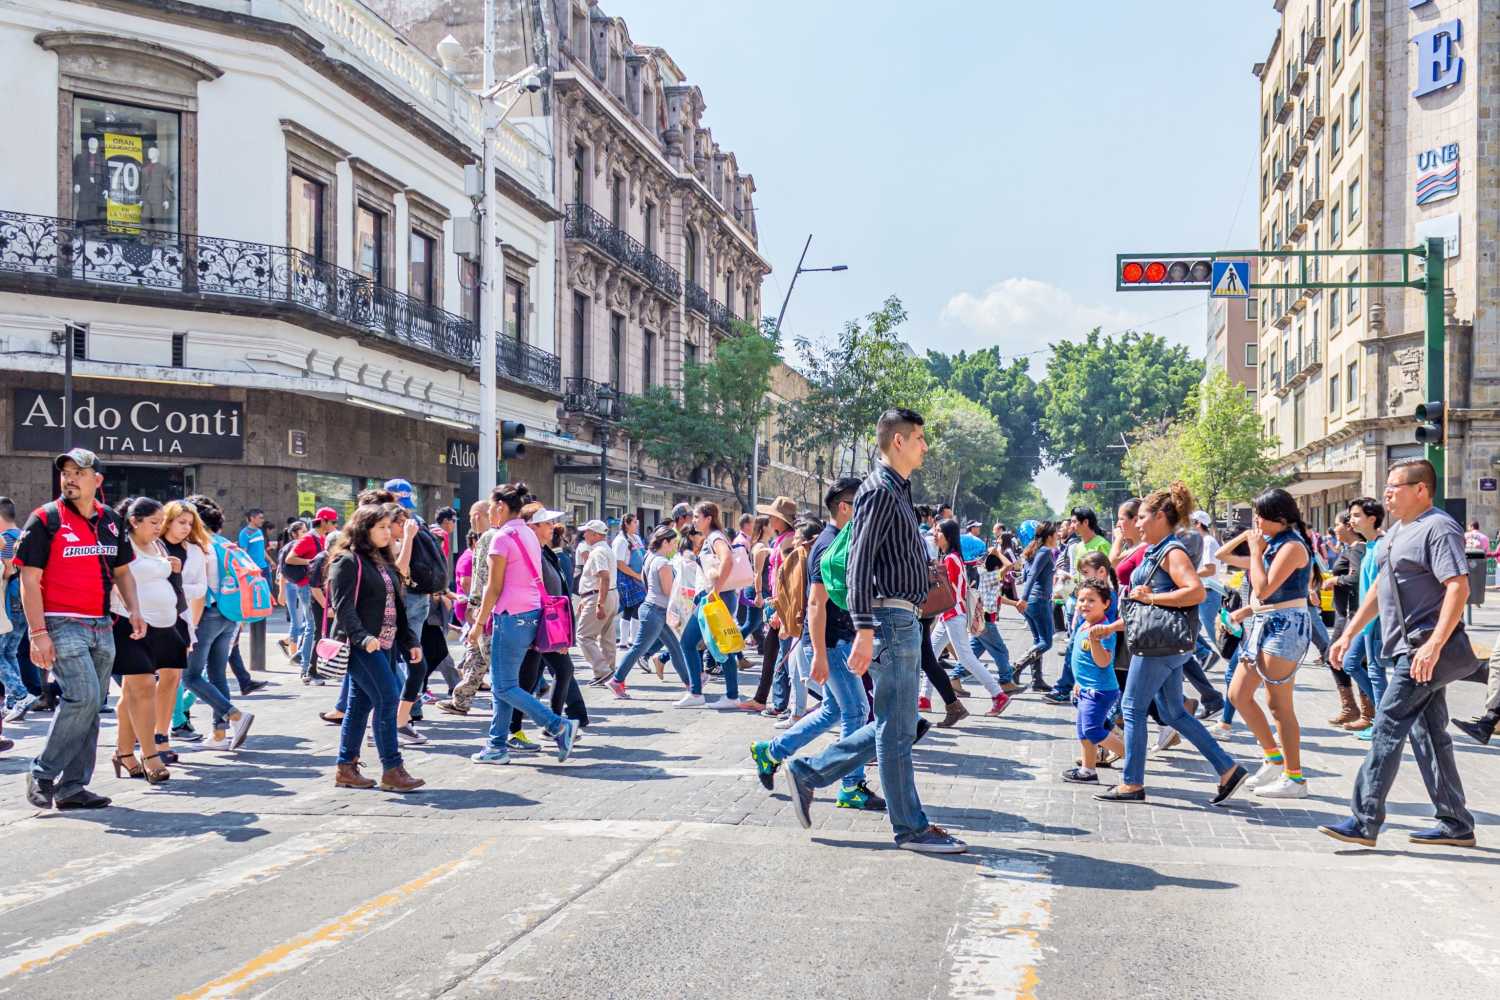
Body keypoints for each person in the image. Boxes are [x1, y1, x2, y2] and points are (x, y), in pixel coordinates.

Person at [782, 408, 967, 853]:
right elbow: (860, 561)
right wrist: (864, 629)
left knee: (898, 724)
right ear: (898, 441)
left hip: (902, 619)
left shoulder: (897, 491)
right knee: (897, 726)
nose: (925, 445)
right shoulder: (879, 490)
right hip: (889, 619)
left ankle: (810, 772)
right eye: (919, 437)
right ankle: (910, 827)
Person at [1320, 459, 1477, 848]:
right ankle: (1456, 822)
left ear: (1421, 489)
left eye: (1395, 487)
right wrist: (1348, 635)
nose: (1386, 493)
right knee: (1428, 734)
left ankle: (1364, 819)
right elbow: (1378, 591)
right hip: (1407, 648)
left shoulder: (1438, 527)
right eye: (1387, 487)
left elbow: (1458, 587)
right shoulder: (1394, 534)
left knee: (1387, 726)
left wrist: (1434, 645)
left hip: (1423, 648)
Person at [1093, 482, 1248, 806]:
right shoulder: (1158, 548)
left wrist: (1152, 597)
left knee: (1132, 708)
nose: (1137, 523)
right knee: (1173, 712)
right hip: (1162, 645)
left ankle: (1132, 783)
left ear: (1161, 516)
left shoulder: (1172, 551)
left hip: (1157, 647)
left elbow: (1195, 591)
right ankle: (1227, 769)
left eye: (1143, 517)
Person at [19, 448, 145, 810]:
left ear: (97, 480)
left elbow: (122, 571)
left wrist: (134, 609)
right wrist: (37, 632)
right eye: (66, 472)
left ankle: (73, 787)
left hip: (102, 623)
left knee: (93, 706)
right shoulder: (45, 518)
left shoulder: (110, 520)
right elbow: (30, 580)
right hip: (60, 621)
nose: (70, 478)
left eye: (79, 472)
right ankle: (42, 772)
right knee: (84, 696)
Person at [751, 478, 886, 811]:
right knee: (857, 710)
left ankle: (771, 751)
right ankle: (851, 785)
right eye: (861, 505)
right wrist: (820, 654)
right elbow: (816, 604)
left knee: (834, 710)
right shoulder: (828, 545)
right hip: (830, 642)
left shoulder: (839, 540)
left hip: (835, 640)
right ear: (844, 507)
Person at [466, 482, 578, 764]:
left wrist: (478, 624)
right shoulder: (528, 534)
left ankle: (557, 725)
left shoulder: (500, 538)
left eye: (491, 507)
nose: (490, 512)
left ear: (501, 507)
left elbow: (493, 587)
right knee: (506, 685)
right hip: (531, 615)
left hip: (509, 616)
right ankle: (496, 745)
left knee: (503, 686)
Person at [1217, 489, 1316, 799]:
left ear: (1281, 519)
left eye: (1260, 515)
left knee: (1278, 705)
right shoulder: (1270, 542)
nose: (1256, 520)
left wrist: (1256, 552)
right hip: (1263, 623)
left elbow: (1262, 588)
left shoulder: (1291, 547)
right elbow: (1222, 557)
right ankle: (1273, 757)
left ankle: (1295, 777)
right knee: (1238, 692)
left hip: (1286, 627)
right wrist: (1248, 537)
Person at [327, 504, 424, 792]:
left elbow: (397, 606)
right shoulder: (346, 560)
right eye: (380, 527)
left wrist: (410, 641)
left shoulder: (383, 561)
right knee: (388, 698)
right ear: (363, 529)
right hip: (362, 647)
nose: (387, 532)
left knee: (358, 705)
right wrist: (362, 637)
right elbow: (342, 607)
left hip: (386, 645)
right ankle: (392, 769)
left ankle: (346, 767)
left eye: (388, 526)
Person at [107, 497, 181, 785]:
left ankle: (124, 753)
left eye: (161, 522)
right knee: (144, 688)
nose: (159, 527)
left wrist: (170, 565)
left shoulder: (158, 545)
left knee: (131, 694)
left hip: (164, 625)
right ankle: (150, 754)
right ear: (134, 521)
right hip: (130, 623)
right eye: (154, 522)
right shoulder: (122, 545)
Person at [181, 495, 257, 751]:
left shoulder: (201, 547)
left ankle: (235, 715)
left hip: (207, 614)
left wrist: (191, 624)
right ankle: (219, 736)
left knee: (190, 676)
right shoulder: (226, 543)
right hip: (230, 615)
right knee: (216, 674)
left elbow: (200, 591)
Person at [929, 518, 1009, 716]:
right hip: (950, 614)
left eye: (938, 531)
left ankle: (998, 694)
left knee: (965, 658)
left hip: (953, 614)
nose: (935, 535)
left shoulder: (950, 559)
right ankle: (923, 698)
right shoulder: (954, 557)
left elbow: (950, 591)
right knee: (930, 655)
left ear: (947, 536)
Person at [676, 502, 752, 710]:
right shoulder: (711, 537)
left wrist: (715, 590)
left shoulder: (716, 537)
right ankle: (699, 692)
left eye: (697, 517)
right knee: (693, 642)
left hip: (716, 597)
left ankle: (726, 694)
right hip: (712, 597)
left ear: (708, 518)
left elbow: (727, 560)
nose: (693, 521)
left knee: (715, 644)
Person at [610, 525, 691, 695]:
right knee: (639, 648)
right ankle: (617, 680)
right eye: (674, 543)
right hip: (656, 611)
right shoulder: (663, 562)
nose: (675, 546)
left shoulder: (650, 557)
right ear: (666, 542)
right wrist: (684, 604)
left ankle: (691, 684)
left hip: (654, 609)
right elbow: (669, 591)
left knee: (675, 648)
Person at [1060, 581, 1126, 783]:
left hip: (1100, 691)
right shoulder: (1084, 624)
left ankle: (1132, 757)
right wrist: (1077, 682)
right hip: (1085, 688)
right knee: (1083, 731)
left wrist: (1096, 640)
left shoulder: (1104, 629)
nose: (1084, 604)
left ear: (1106, 603)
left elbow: (1104, 661)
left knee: (1092, 729)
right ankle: (1088, 770)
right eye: (1081, 599)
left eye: (1091, 600)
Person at [1340, 496, 1388, 738]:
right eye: (1351, 515)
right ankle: (1386, 713)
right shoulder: (1369, 546)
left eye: (1357, 515)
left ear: (1372, 519)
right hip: (1365, 621)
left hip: (1376, 621)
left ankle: (1384, 722)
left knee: (1376, 672)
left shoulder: (1381, 546)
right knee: (1350, 663)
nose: (1351, 520)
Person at [286, 507, 340, 681]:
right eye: (332, 522)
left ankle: (309, 664)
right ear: (323, 521)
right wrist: (312, 561)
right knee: (314, 628)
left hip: (318, 588)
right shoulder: (310, 538)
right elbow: (290, 558)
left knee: (318, 629)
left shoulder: (324, 538)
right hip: (309, 587)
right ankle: (307, 668)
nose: (334, 525)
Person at [1322, 514, 1364, 727]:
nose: (1335, 528)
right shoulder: (1350, 549)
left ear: (1349, 526)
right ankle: (1354, 708)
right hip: (1343, 614)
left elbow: (1357, 578)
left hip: (1350, 613)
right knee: (1340, 658)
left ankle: (1364, 711)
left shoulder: (1357, 548)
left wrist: (1335, 579)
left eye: (1337, 524)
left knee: (1338, 657)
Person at [1014, 521, 1058, 691]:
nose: (1058, 537)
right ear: (1048, 537)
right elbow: (1032, 575)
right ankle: (1017, 666)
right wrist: (1023, 598)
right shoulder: (1045, 551)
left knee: (1038, 640)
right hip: (1038, 601)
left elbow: (1027, 574)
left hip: (1033, 601)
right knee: (1046, 642)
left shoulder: (1035, 551)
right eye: (1055, 534)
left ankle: (1037, 680)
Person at [574, 519, 618, 685]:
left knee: (584, 636)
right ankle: (610, 670)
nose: (584, 534)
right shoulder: (605, 549)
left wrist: (599, 603)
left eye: (587, 531)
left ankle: (603, 670)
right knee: (607, 635)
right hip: (608, 594)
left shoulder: (597, 551)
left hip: (599, 595)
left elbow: (603, 577)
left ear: (595, 534)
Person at [0, 496, 31, 722]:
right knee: (10, 653)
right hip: (24, 602)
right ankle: (13, 702)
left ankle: (20, 695)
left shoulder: (3, 542)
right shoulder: (25, 536)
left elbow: (5, 572)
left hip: (7, 606)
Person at [276, 519, 310, 662]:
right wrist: (281, 591)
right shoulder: (292, 548)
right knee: (297, 622)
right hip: (291, 586)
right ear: (295, 534)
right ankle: (293, 654)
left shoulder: (300, 546)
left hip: (298, 586)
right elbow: (283, 572)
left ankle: (288, 643)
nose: (307, 533)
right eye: (303, 531)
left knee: (304, 621)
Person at [613, 513, 646, 647]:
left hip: (637, 575)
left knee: (633, 607)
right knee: (634, 605)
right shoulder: (620, 540)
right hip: (626, 576)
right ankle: (628, 640)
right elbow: (619, 563)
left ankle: (628, 640)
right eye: (634, 522)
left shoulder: (636, 538)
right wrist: (635, 575)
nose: (636, 525)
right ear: (626, 524)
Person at [238, 508, 269, 576]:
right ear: (252, 518)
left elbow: (261, 549)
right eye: (260, 518)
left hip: (264, 567)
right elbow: (243, 553)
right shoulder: (244, 533)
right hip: (254, 570)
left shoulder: (259, 531)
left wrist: (271, 561)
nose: (262, 520)